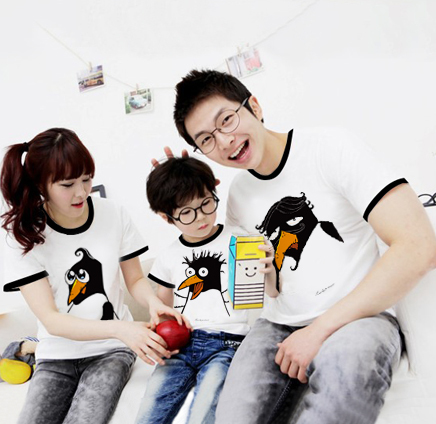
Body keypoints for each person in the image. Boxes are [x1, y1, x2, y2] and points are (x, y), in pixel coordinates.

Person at [167, 69, 436, 424]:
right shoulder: (239, 195)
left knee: (343, 388)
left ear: (254, 106)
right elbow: (264, 291)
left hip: (360, 317)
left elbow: (419, 245)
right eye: (206, 139)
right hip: (276, 325)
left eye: (227, 120)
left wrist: (318, 330)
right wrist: (179, 188)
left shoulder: (331, 148)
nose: (225, 141)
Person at [0, 128, 189, 424]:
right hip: (57, 354)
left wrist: (153, 303)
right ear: (40, 184)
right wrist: (122, 329)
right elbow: (51, 320)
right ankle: (26, 348)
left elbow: (135, 280)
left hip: (111, 352)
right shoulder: (24, 233)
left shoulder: (113, 214)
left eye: (86, 179)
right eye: (67, 184)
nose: (81, 192)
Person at [135, 156, 277, 424]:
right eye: (187, 212)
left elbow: (271, 294)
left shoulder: (240, 238)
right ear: (166, 217)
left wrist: (269, 271)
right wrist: (159, 337)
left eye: (206, 203)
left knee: (204, 412)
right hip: (182, 343)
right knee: (149, 412)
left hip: (227, 343)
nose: (201, 217)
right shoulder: (168, 256)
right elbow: (163, 308)